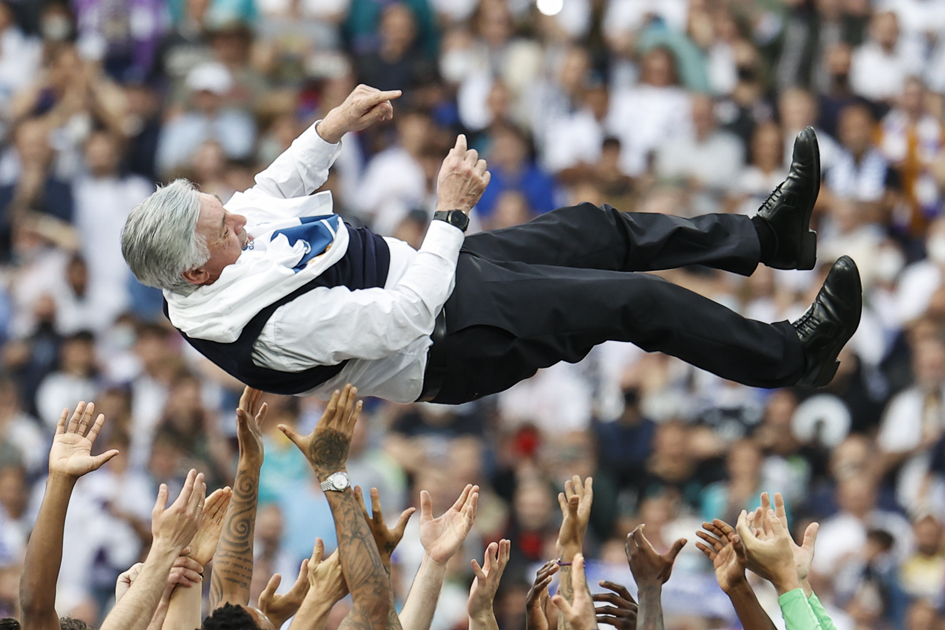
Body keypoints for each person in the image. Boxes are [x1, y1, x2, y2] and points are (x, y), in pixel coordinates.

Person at [121, 83, 863, 406]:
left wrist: (332, 127)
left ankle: (766, 237)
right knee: (631, 302)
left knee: (597, 229)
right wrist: (448, 215)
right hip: (450, 340)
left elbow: (271, 190)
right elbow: (400, 321)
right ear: (192, 267)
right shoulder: (259, 328)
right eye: (224, 229)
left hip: (439, 275)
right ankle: (790, 357)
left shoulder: (215, 247)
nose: (241, 223)